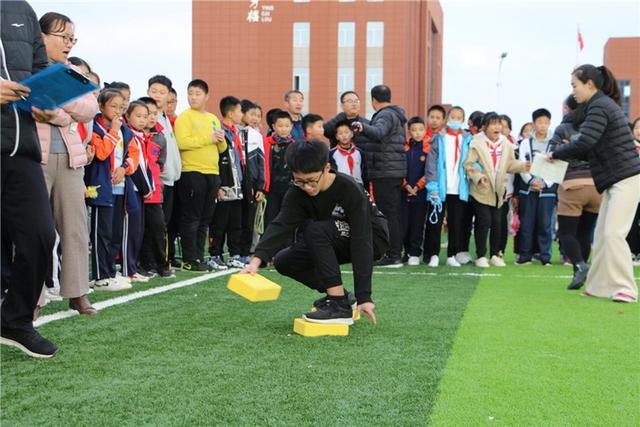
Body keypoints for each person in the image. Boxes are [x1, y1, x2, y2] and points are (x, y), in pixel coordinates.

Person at [241, 140, 389, 325]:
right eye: (300, 181)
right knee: (285, 261)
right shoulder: (297, 192)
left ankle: (338, 306)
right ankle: (343, 296)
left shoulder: (349, 189)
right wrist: (255, 261)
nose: (307, 188)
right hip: (333, 235)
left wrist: (364, 295)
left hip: (373, 238)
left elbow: (362, 241)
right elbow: (281, 225)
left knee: (316, 230)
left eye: (311, 181)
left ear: (326, 168)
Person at [550, 64, 640, 303]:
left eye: (575, 85)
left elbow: (586, 142)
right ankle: (599, 286)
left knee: (613, 234)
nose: (573, 90)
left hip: (627, 179)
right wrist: (559, 138)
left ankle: (626, 288)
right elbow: (573, 118)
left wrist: (555, 154)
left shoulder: (600, 106)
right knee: (600, 236)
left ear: (590, 84)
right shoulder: (594, 105)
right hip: (613, 181)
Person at [0, 0, 58, 358]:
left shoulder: (21, 10)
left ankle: (15, 320)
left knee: (40, 235)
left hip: (21, 146)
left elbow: (39, 71)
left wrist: (45, 100)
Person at [36, 12, 99, 314]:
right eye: (63, 37)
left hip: (72, 159)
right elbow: (33, 104)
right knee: (36, 231)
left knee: (75, 227)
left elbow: (90, 106)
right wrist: (66, 109)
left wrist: (58, 111)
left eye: (72, 38)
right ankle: (32, 298)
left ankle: (78, 293)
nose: (69, 44)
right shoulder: (26, 66)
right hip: (35, 157)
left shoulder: (73, 71)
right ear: (42, 36)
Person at [85, 88, 139, 291]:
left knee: (115, 233)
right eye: (113, 106)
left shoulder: (126, 129)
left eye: (121, 106)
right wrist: (113, 131)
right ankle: (100, 276)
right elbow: (100, 153)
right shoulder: (95, 127)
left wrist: (124, 169)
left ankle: (110, 271)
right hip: (100, 189)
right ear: (100, 106)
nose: (118, 110)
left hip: (121, 188)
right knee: (101, 233)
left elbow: (134, 155)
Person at [548, 95, 601, 289]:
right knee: (584, 233)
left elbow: (551, 154)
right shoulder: (595, 127)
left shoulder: (563, 129)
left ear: (569, 109)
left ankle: (579, 266)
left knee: (566, 233)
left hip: (573, 185)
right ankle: (578, 274)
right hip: (596, 186)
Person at [464, 112, 530, 268]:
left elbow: (510, 165)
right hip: (481, 190)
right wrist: (479, 177)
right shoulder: (477, 143)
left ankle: (495, 254)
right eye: (493, 123)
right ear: (485, 127)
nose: (497, 127)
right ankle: (481, 255)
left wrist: (522, 166)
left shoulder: (505, 143)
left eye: (499, 123)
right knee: (483, 222)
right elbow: (468, 165)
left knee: (497, 222)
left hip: (499, 191)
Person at [352, 85, 407, 267]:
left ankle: (393, 255)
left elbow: (379, 132)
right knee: (393, 213)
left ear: (373, 100)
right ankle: (395, 253)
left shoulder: (385, 115)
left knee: (388, 213)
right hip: (394, 171)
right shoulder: (395, 115)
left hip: (386, 171)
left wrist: (362, 127)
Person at [174, 79, 226, 271]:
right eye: (190, 93)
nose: (193, 97)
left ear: (206, 97)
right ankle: (189, 258)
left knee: (205, 219)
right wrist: (209, 138)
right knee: (191, 217)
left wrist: (220, 140)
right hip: (192, 171)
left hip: (212, 172)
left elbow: (222, 147)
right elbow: (182, 142)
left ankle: (198, 256)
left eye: (197, 93)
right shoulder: (184, 117)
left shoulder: (212, 118)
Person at [424, 106, 474, 267]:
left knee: (456, 223)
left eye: (459, 117)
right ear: (447, 119)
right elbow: (431, 164)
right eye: (453, 116)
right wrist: (433, 187)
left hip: (459, 189)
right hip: (440, 189)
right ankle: (433, 255)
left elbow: (473, 161)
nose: (455, 119)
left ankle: (452, 255)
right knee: (435, 223)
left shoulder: (468, 139)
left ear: (463, 120)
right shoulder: (439, 138)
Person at [137, 97, 174, 278]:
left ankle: (162, 265)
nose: (150, 118)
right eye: (146, 114)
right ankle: (143, 264)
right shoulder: (132, 135)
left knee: (158, 229)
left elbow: (160, 163)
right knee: (140, 230)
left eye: (154, 114)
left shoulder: (160, 137)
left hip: (155, 192)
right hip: (137, 192)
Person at [208, 96, 246, 270]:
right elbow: (217, 159)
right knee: (219, 222)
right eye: (239, 111)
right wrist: (218, 185)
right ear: (230, 113)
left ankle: (234, 255)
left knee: (235, 222)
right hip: (224, 184)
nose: (242, 114)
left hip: (237, 184)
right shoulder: (219, 131)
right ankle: (215, 254)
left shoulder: (237, 132)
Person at [147, 75, 181, 263]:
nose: (158, 95)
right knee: (155, 224)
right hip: (157, 179)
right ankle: (151, 261)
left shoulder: (166, 118)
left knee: (165, 223)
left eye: (162, 92)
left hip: (170, 179)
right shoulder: (150, 117)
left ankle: (161, 260)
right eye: (154, 91)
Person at [516, 108, 556, 265]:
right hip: (528, 188)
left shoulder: (554, 143)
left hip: (547, 190)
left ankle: (545, 256)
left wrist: (545, 183)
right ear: (534, 124)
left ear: (550, 123)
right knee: (527, 223)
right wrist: (532, 181)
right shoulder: (526, 142)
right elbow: (522, 163)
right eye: (539, 122)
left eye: (546, 122)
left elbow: (556, 166)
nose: (543, 126)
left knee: (545, 224)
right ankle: (525, 255)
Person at [123, 101, 154, 282]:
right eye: (138, 116)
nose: (143, 120)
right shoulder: (130, 135)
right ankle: (128, 269)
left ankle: (132, 268)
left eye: (145, 116)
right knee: (131, 230)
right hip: (132, 188)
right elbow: (136, 166)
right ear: (128, 116)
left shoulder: (141, 136)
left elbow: (146, 165)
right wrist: (146, 188)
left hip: (141, 190)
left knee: (138, 230)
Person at [400, 116, 431, 266]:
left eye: (420, 130)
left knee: (418, 224)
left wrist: (418, 186)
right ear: (409, 131)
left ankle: (415, 252)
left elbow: (429, 171)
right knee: (404, 224)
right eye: (414, 130)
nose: (417, 133)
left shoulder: (428, 148)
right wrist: (405, 185)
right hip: (404, 192)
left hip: (421, 193)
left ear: (425, 130)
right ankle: (406, 252)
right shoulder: (404, 148)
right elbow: (399, 169)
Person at [239, 99, 266, 262]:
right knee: (236, 220)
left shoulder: (257, 135)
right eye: (252, 114)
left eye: (258, 115)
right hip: (237, 183)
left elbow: (261, 163)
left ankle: (246, 252)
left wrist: (260, 186)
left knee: (250, 221)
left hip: (253, 185)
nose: (255, 118)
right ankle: (235, 252)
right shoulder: (236, 132)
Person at [263, 110, 295, 231]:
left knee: (287, 219)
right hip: (271, 189)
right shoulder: (266, 143)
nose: (284, 129)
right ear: (273, 126)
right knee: (270, 219)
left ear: (291, 126)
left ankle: (287, 248)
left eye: (287, 126)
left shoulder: (294, 145)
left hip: (289, 188)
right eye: (280, 126)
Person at [329, 120, 367, 188]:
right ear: (336, 137)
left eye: (346, 132)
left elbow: (364, 173)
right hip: (341, 186)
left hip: (359, 186)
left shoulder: (360, 153)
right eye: (340, 133)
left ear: (352, 134)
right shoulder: (332, 154)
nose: (344, 136)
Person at [627, 117, 640, 266]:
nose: (639, 131)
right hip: (631, 190)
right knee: (630, 222)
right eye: (637, 128)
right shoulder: (628, 148)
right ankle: (631, 252)